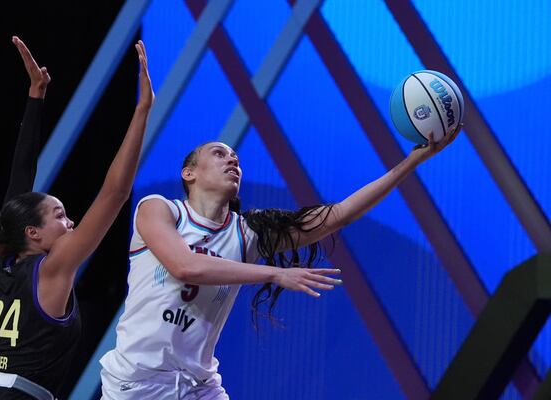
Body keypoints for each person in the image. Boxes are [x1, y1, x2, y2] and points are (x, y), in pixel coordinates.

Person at [99, 106, 462, 397]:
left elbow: (337, 215)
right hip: (139, 383)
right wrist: (273, 273)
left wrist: (411, 162)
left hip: (198, 386)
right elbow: (184, 266)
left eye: (237, 159)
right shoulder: (160, 209)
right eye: (220, 153)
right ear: (189, 173)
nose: (233, 162)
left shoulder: (246, 234)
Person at [0, 36, 154, 400]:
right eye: (60, 216)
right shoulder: (52, 267)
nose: (71, 223)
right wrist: (142, 111)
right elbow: (115, 194)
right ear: (32, 232)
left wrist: (36, 97)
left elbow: (17, 188)